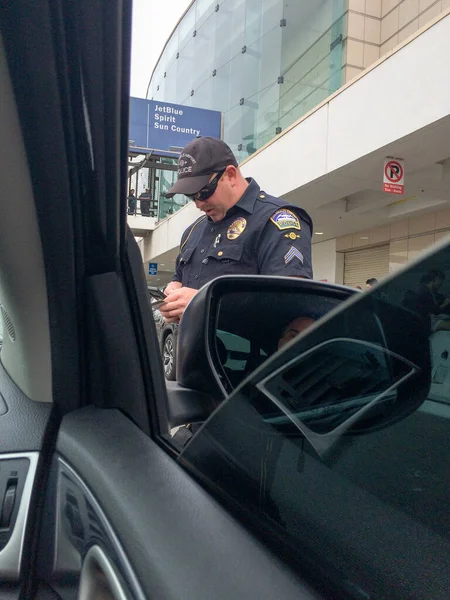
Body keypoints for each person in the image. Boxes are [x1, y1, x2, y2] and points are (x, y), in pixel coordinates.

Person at [160, 137, 313, 323]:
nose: (199, 203)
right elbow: (180, 278)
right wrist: (174, 289)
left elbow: (291, 302)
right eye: (191, 196)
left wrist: (205, 302)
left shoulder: (274, 221)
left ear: (230, 175)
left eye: (203, 192)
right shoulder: (193, 232)